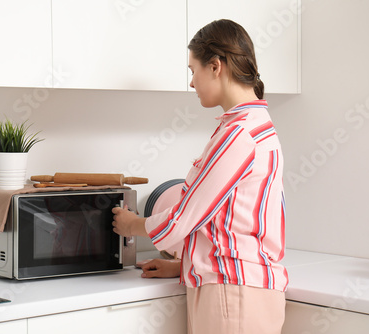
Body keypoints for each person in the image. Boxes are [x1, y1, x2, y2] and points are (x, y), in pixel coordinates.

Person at [112, 19, 287, 334]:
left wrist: (131, 225)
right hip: (241, 290)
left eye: (193, 71)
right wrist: (182, 266)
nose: (192, 83)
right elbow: (231, 222)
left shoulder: (238, 134)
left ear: (216, 66)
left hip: (231, 294)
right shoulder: (255, 125)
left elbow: (183, 219)